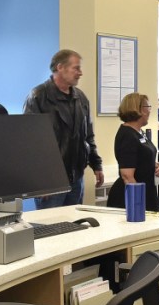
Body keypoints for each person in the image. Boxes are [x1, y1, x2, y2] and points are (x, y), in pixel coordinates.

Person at [23, 49, 104, 208]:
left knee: (74, 228)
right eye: (76, 68)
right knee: (51, 229)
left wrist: (97, 165)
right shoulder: (38, 96)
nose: (80, 73)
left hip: (76, 178)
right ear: (60, 67)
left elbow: (88, 136)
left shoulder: (80, 98)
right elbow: (29, 143)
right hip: (50, 181)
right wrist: (39, 180)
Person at [109, 93, 159, 212]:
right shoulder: (128, 135)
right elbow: (127, 176)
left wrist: (158, 165)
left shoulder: (139, 132)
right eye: (147, 107)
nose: (150, 111)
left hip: (147, 191)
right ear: (138, 110)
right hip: (131, 198)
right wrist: (138, 205)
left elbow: (142, 159)